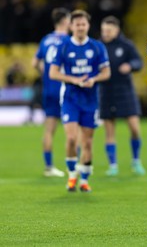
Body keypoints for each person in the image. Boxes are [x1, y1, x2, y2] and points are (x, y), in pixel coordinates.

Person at [49, 10, 111, 192]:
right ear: (71, 26)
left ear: (88, 26)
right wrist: (74, 80)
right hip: (70, 98)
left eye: (83, 24)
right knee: (70, 138)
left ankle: (84, 179)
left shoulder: (97, 47)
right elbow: (53, 73)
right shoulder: (64, 47)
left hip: (90, 100)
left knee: (88, 142)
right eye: (77, 25)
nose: (80, 27)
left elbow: (106, 73)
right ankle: (71, 175)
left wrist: (94, 80)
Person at [99, 16, 145, 176]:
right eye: (104, 30)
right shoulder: (98, 47)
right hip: (106, 91)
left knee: (134, 128)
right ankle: (113, 165)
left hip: (125, 90)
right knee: (109, 131)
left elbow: (139, 62)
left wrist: (131, 65)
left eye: (108, 30)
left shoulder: (126, 45)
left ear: (117, 30)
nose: (105, 33)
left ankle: (136, 160)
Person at [32, 7, 71, 177]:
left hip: (49, 89)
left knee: (49, 130)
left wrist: (47, 74)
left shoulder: (45, 40)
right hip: (65, 89)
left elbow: (35, 62)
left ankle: (49, 167)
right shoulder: (69, 41)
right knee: (73, 129)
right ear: (64, 21)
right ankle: (74, 166)